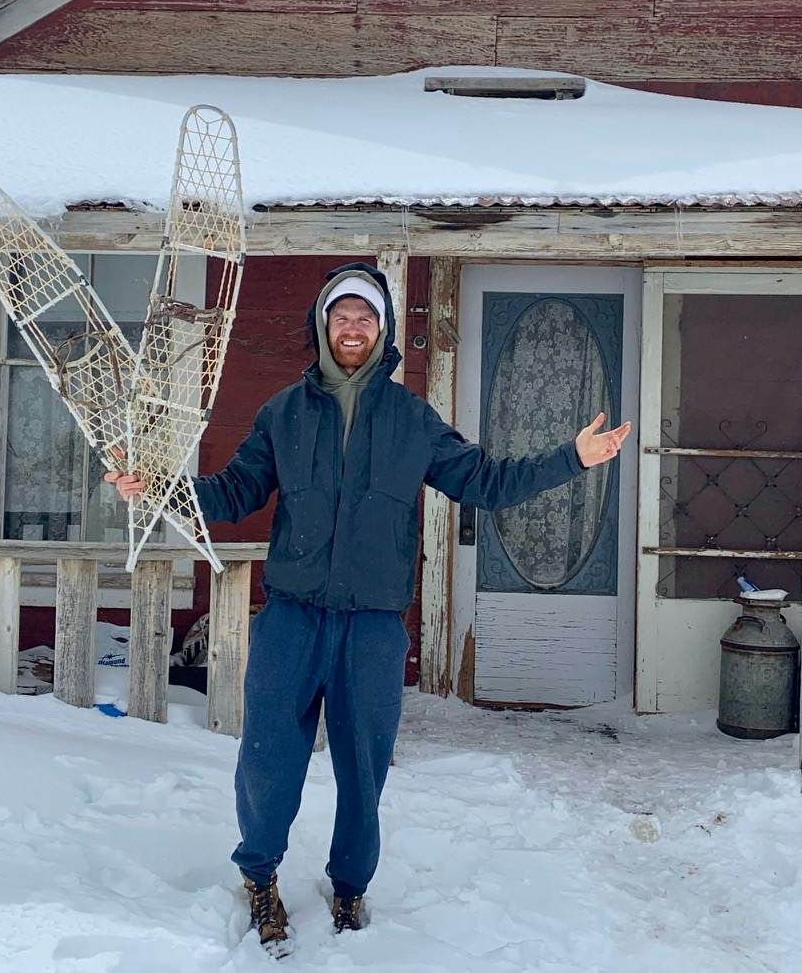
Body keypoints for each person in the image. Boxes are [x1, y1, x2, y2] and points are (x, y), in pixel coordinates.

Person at [106, 262, 630, 947]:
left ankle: (350, 888)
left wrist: (572, 459)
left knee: (363, 766)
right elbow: (233, 493)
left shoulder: (411, 419)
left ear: (381, 332)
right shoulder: (283, 413)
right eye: (340, 316)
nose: (351, 328)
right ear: (322, 326)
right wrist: (161, 490)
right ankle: (259, 875)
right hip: (291, 616)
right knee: (267, 759)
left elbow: (485, 482)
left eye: (365, 317)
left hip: (374, 626)